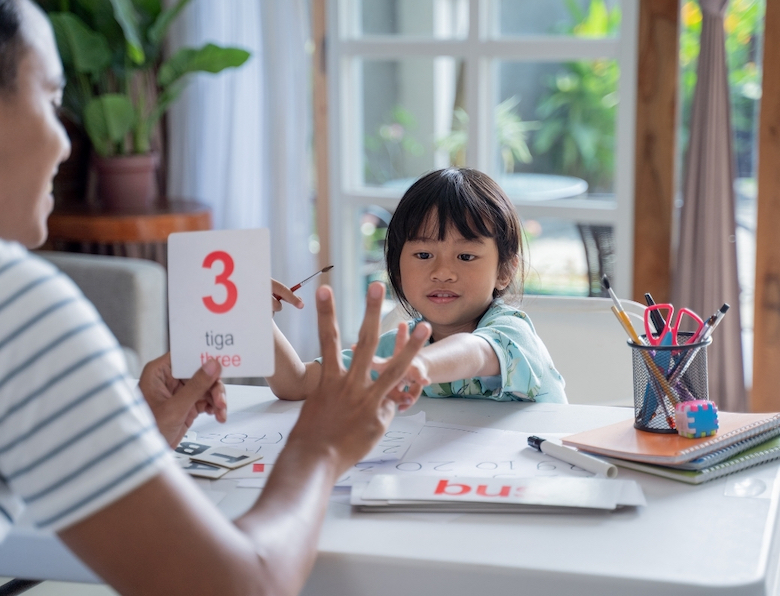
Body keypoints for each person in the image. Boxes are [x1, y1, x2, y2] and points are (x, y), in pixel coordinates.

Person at [0, 1, 429, 594]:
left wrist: (131, 437)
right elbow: (237, 587)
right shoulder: (19, 307)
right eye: (50, 99)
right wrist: (321, 448)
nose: (69, 145)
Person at [268, 167, 567, 404]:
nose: (443, 272)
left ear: (504, 271)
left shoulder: (512, 332)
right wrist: (256, 317)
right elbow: (297, 384)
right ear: (397, 267)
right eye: (423, 255)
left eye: (465, 256)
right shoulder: (398, 349)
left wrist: (419, 364)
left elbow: (475, 353)